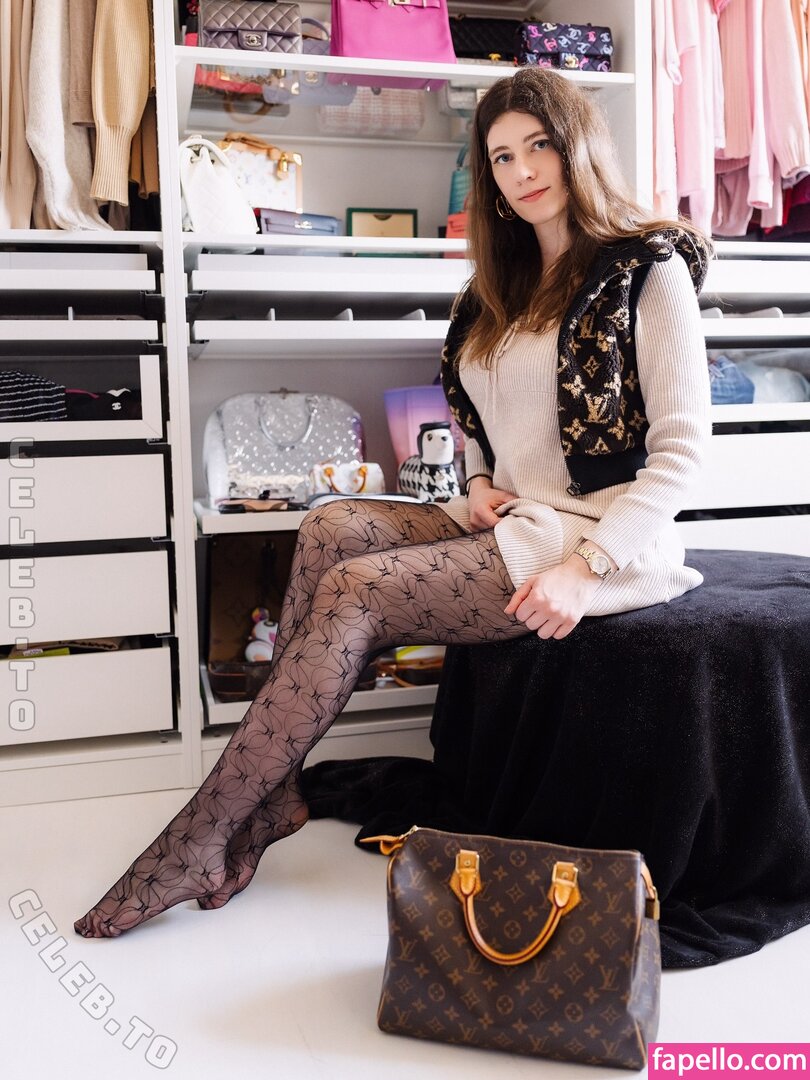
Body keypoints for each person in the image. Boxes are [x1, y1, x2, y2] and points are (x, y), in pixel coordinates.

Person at [74, 67, 711, 938]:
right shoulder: (501, 283)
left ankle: (208, 830)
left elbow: (682, 456)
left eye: (539, 146)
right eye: (501, 157)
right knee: (331, 523)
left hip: (605, 536)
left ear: (579, 147)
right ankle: (270, 794)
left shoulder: (644, 268)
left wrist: (586, 568)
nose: (523, 171)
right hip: (518, 514)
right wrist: (477, 480)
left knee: (357, 590)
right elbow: (476, 409)